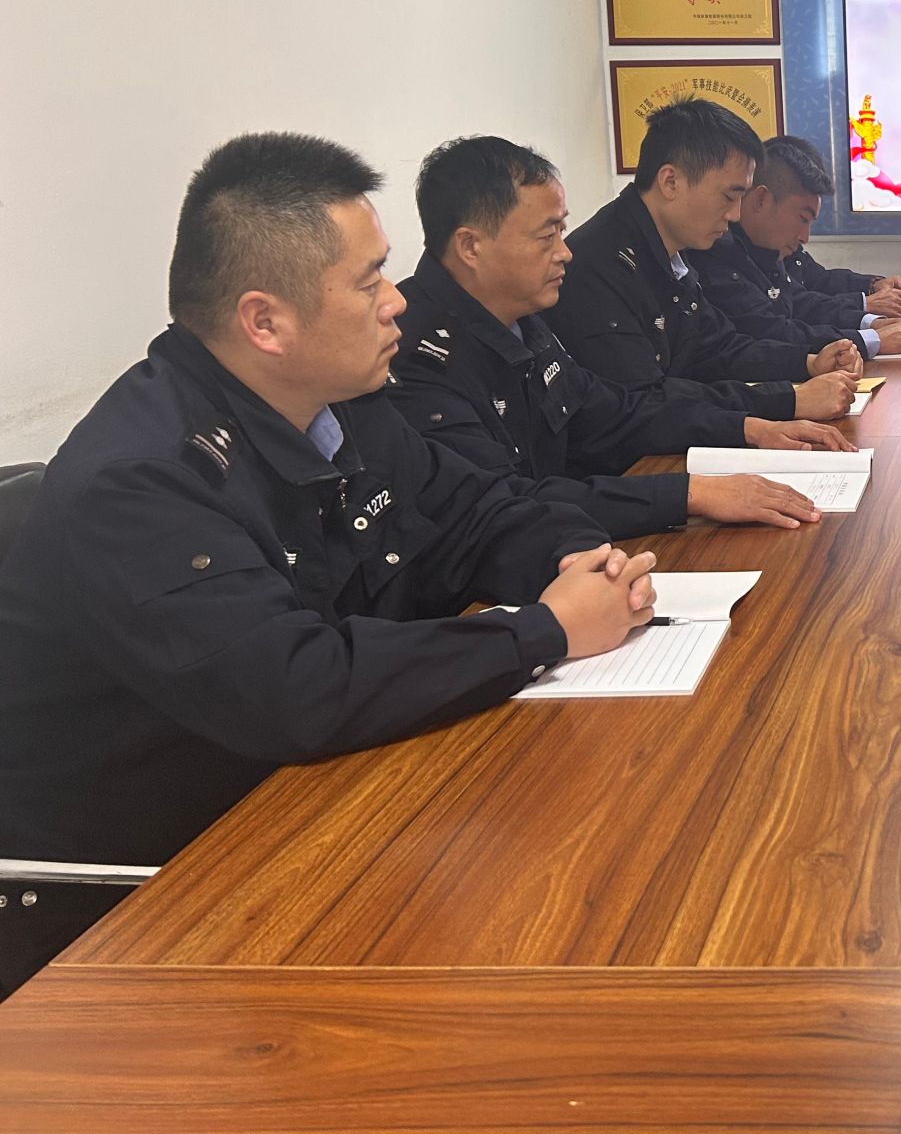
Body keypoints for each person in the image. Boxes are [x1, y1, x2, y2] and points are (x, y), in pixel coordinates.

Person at [0, 133, 657, 996]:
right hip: (148, 901)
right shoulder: (139, 483)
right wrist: (545, 631)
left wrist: (579, 561)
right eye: (369, 280)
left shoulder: (341, 408)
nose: (397, 302)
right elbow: (295, 687)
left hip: (320, 804)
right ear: (264, 322)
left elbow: (474, 511)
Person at [390, 136, 837, 538]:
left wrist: (748, 426)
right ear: (471, 247)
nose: (565, 253)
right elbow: (504, 506)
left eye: (562, 231)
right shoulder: (416, 355)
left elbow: (615, 411)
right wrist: (689, 495)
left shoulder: (520, 318)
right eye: (547, 236)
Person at [546, 100, 860, 423]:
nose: (735, 214)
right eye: (729, 196)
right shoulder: (600, 265)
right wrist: (786, 401)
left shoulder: (673, 251)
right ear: (671, 182)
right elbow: (644, 403)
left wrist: (808, 362)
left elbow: (719, 348)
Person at [693, 134, 901, 359]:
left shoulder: (767, 247)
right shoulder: (715, 251)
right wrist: (868, 338)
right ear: (761, 198)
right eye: (802, 219)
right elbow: (770, 331)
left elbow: (801, 298)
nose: (805, 237)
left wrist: (869, 311)